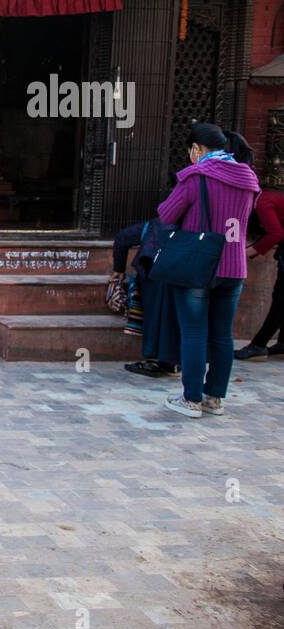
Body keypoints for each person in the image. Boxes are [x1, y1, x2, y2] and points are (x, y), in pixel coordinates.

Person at [156, 123, 261, 417]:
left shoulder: (196, 177)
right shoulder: (248, 178)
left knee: (193, 332)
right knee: (223, 335)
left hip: (198, 266)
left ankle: (191, 399)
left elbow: (166, 214)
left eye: (192, 150)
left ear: (198, 149)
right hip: (234, 266)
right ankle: (215, 397)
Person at [112, 217, 180, 377]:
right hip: (182, 276)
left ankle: (157, 361)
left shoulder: (156, 225)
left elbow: (122, 237)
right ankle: (173, 362)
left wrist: (119, 269)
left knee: (154, 317)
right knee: (177, 319)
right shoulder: (194, 225)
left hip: (153, 276)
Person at [235, 181, 284, 360]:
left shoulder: (261, 201)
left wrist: (246, 254)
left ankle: (259, 345)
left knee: (281, 300)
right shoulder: (270, 195)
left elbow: (275, 234)